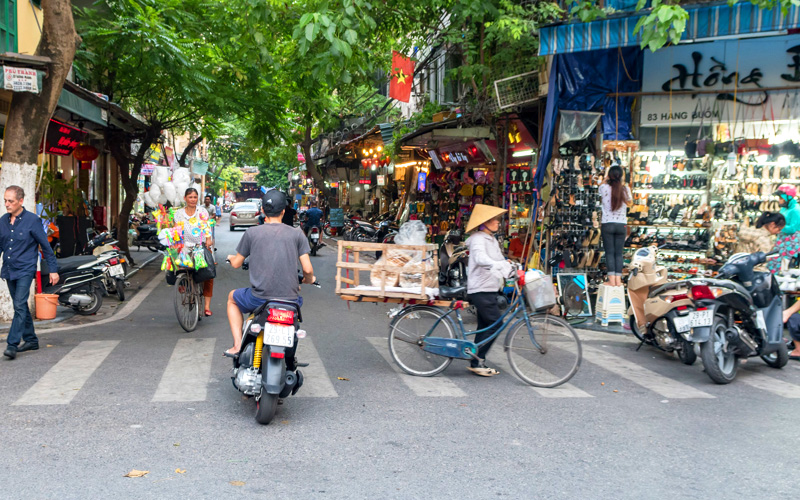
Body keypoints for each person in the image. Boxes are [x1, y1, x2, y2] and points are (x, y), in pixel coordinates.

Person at [225, 190, 315, 360]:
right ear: (284, 211)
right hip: (290, 301)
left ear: (263, 211)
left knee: (232, 298)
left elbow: (237, 263)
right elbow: (308, 270)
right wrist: (309, 280)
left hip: (259, 299)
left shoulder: (252, 233)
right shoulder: (297, 234)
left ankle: (237, 345)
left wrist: (230, 258)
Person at [1, 186, 59, 360]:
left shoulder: (32, 220)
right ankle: (31, 340)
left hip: (26, 269)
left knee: (18, 304)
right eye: (5, 200)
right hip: (9, 270)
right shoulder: (3, 220)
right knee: (21, 306)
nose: (7, 204)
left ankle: (12, 344)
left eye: (10, 201)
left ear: (20, 201)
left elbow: (46, 247)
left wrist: (53, 270)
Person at [464, 204, 512, 377]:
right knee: (495, 324)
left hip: (490, 288)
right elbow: (480, 258)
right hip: (480, 289)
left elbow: (500, 261)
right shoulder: (478, 238)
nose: (498, 223)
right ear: (484, 223)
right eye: (494, 220)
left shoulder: (491, 239)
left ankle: (476, 359)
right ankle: (477, 359)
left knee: (485, 326)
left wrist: (514, 269)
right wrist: (497, 264)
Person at [174, 188, 215, 317]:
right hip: (185, 246)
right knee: (176, 265)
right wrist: (175, 243)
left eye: (195, 197)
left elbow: (206, 226)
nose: (192, 199)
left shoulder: (202, 211)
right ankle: (183, 283)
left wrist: (208, 239)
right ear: (185, 198)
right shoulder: (178, 213)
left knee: (208, 273)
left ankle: (207, 306)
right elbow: (176, 230)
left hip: (200, 245)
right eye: (190, 197)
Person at [599, 165, 632, 287]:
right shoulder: (625, 189)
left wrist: (606, 176)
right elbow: (629, 202)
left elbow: (600, 185)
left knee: (609, 253)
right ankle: (618, 281)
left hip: (607, 224)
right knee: (619, 253)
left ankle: (611, 281)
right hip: (621, 225)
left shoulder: (604, 187)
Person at [769, 185, 800, 273]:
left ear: (788, 197)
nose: (779, 200)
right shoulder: (783, 208)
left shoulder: (796, 210)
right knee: (775, 261)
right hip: (782, 240)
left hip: (791, 242)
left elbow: (793, 228)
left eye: (781, 198)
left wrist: (778, 227)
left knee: (785, 265)